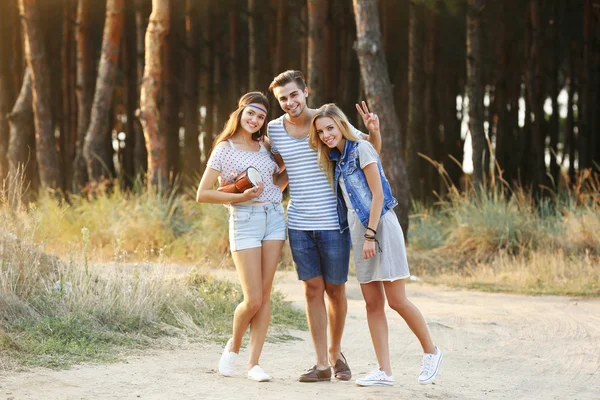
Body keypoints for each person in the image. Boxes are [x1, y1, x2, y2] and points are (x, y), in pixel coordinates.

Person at [308, 103, 443, 387]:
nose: (326, 135)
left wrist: (370, 235)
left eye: (330, 128)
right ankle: (385, 371)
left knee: (397, 300)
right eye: (321, 132)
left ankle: (432, 352)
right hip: (360, 232)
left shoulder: (360, 149)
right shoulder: (337, 159)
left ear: (342, 126)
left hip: (380, 227)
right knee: (372, 304)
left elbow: (378, 195)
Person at [267, 70, 381, 382]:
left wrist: (374, 130)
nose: (290, 102)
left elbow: (367, 151)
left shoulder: (325, 121)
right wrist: (256, 191)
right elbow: (283, 170)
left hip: (334, 223)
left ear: (306, 91)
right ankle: (320, 364)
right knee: (311, 290)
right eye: (283, 98)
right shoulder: (275, 130)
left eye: (294, 94)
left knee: (335, 291)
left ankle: (335, 352)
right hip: (299, 224)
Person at [196, 92, 288, 382]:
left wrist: (284, 182)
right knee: (253, 299)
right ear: (240, 113)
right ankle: (233, 348)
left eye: (261, 116)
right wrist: (240, 195)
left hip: (274, 217)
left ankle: (254, 364)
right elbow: (203, 194)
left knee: (265, 294)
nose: (255, 120)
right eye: (251, 113)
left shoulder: (266, 146)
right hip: (244, 220)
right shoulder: (224, 148)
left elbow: (277, 182)